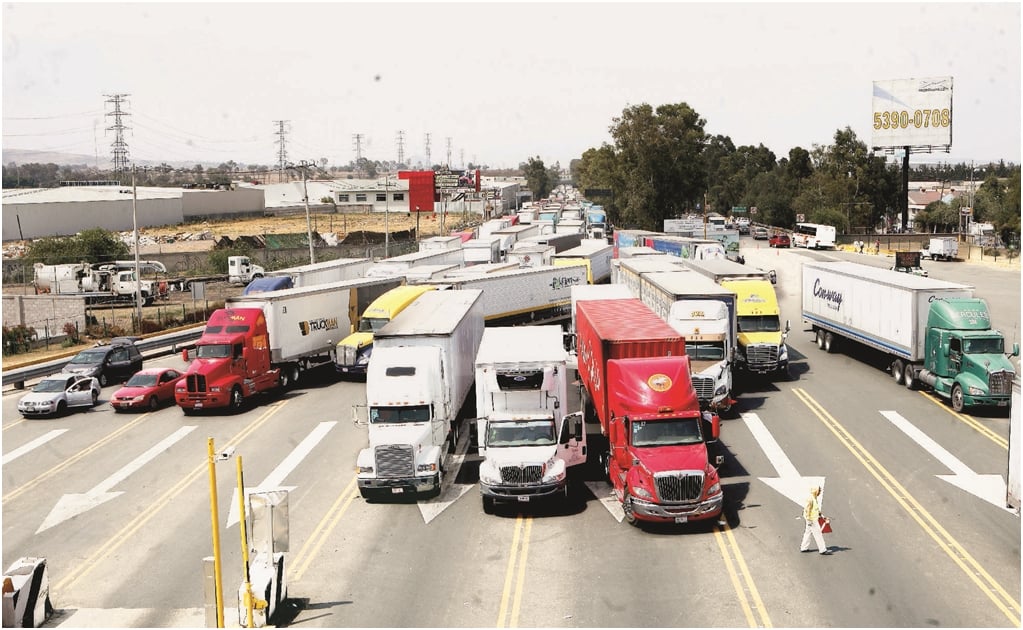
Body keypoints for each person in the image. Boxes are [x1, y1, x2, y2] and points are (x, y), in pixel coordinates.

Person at [800, 486, 831, 554]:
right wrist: (809, 520)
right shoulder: (811, 499)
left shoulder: (813, 497)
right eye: (819, 491)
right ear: (815, 491)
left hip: (811, 518)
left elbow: (815, 509)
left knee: (808, 533)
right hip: (812, 519)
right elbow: (807, 510)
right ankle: (822, 550)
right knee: (818, 534)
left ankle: (804, 547)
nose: (820, 492)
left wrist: (821, 515)